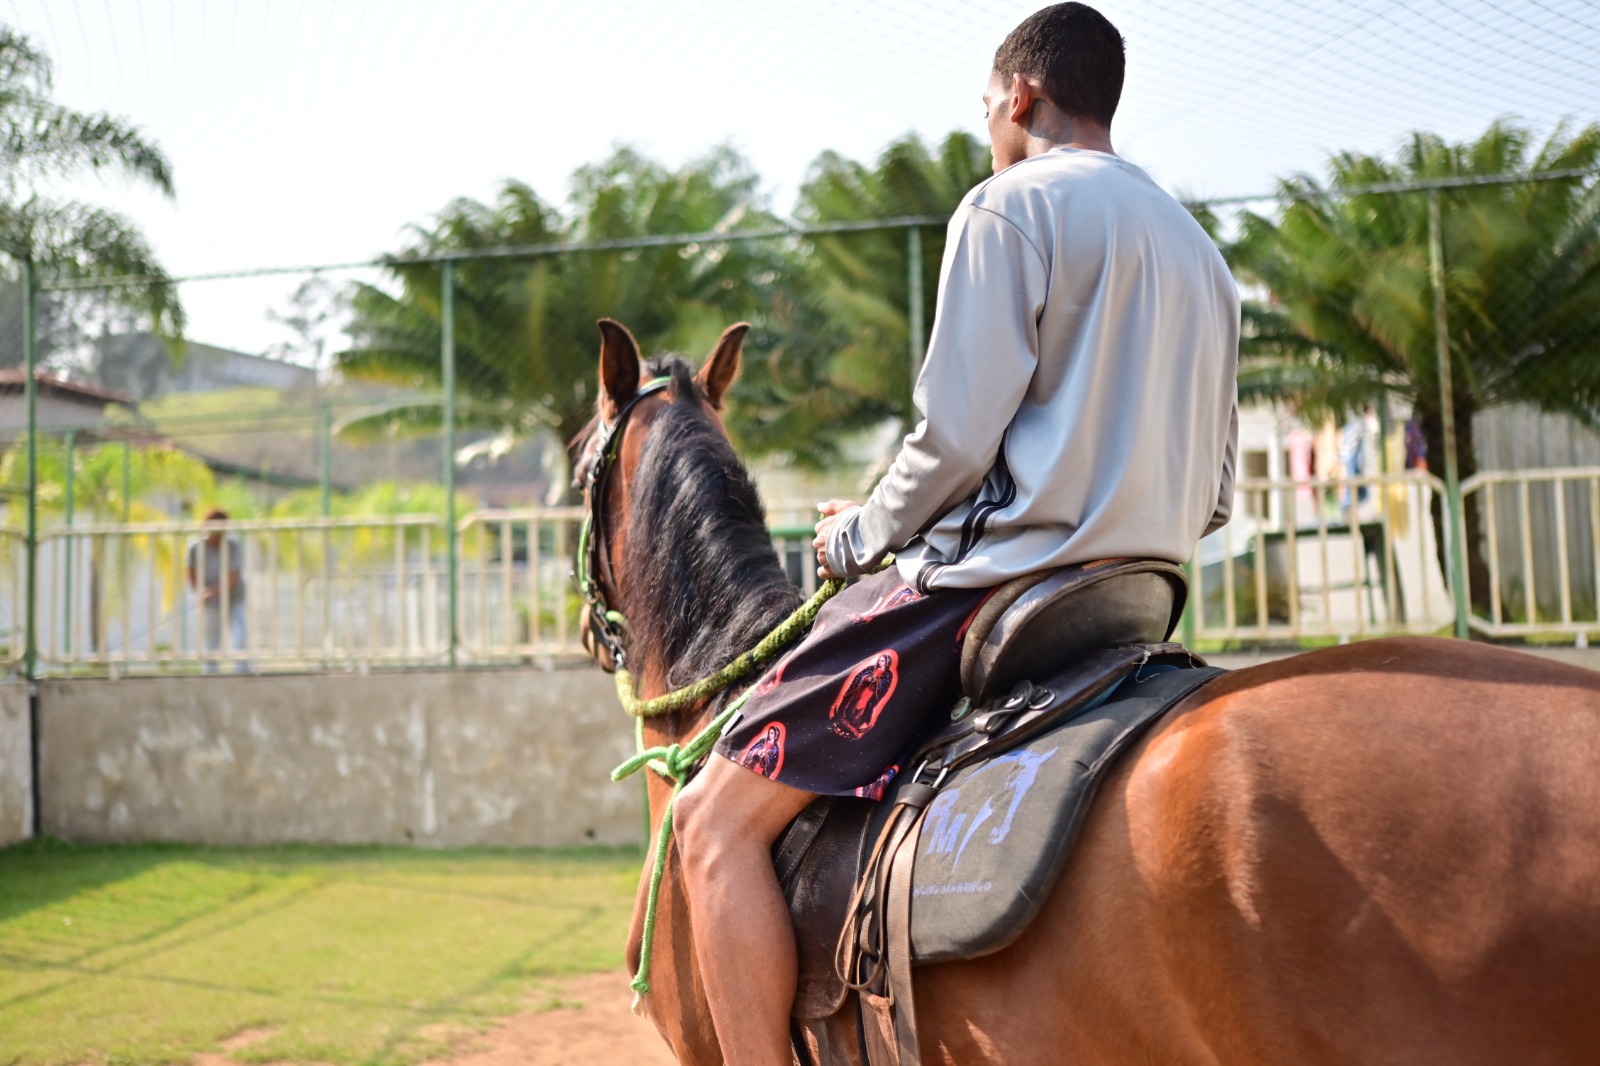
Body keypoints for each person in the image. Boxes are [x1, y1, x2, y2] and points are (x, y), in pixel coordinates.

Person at [672, 5, 1240, 1060]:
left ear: (1019, 96)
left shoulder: (1006, 208)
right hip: (1141, 599)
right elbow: (1211, 495)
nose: (989, 126)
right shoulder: (1201, 253)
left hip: (995, 590)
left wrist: (851, 541)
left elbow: (951, 448)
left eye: (988, 107)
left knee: (710, 824)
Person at [186, 508, 249, 674]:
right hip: (211, 605)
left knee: (241, 636)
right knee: (211, 644)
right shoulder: (195, 547)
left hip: (235, 599)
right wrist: (201, 593)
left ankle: (243, 674)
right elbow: (192, 576)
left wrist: (212, 592)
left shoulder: (233, 545)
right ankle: (209, 675)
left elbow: (233, 578)